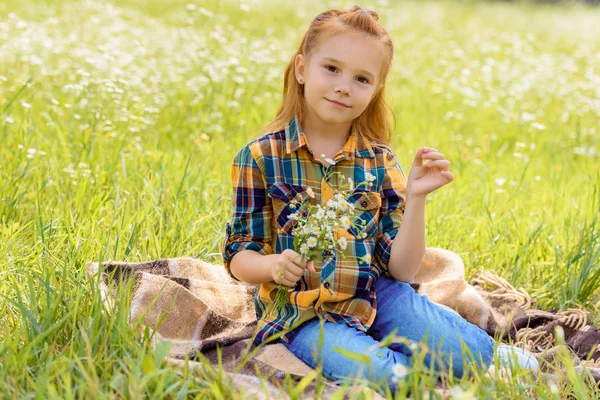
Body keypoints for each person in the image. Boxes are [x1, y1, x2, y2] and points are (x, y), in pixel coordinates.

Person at [221, 5, 536, 394]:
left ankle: (472, 353)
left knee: (469, 357)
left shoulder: (379, 160)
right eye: (331, 69)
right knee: (388, 378)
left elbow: (402, 270)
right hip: (304, 312)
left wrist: (417, 199)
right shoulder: (260, 157)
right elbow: (239, 257)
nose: (343, 86)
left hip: (376, 294)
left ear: (374, 91)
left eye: (362, 78)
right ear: (302, 69)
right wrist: (272, 266)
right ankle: (413, 364)